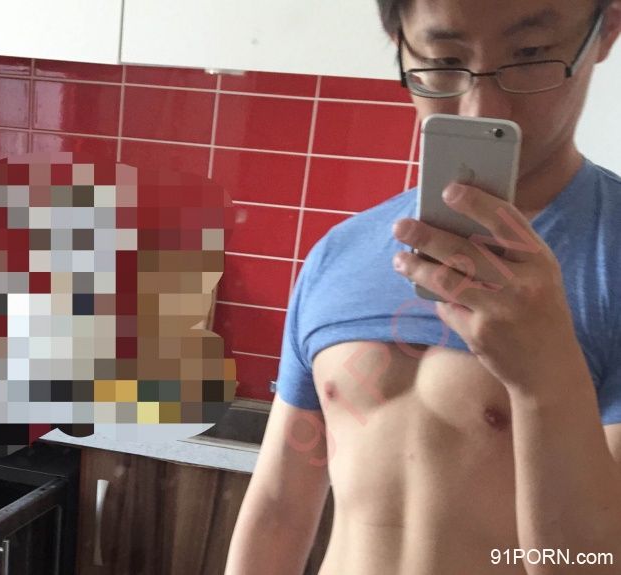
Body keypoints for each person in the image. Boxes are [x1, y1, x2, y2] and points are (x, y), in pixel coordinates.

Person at [225, 0, 621, 573]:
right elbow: (279, 509)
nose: (481, 107)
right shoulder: (337, 255)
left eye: (530, 54)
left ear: (605, 31)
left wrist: (547, 380)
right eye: (444, 61)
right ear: (401, 48)